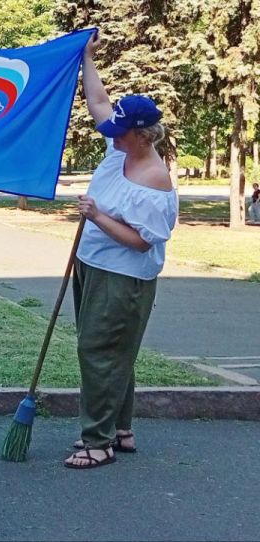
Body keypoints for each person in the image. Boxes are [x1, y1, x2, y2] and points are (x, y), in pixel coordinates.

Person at [65, 34, 178, 469]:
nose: (109, 133)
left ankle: (97, 440)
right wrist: (87, 59)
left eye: (119, 130)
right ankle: (122, 429)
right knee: (115, 351)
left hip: (123, 278)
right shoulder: (119, 153)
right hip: (93, 265)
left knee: (98, 350)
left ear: (142, 135)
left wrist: (96, 216)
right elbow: (98, 101)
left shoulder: (153, 179)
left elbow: (142, 240)